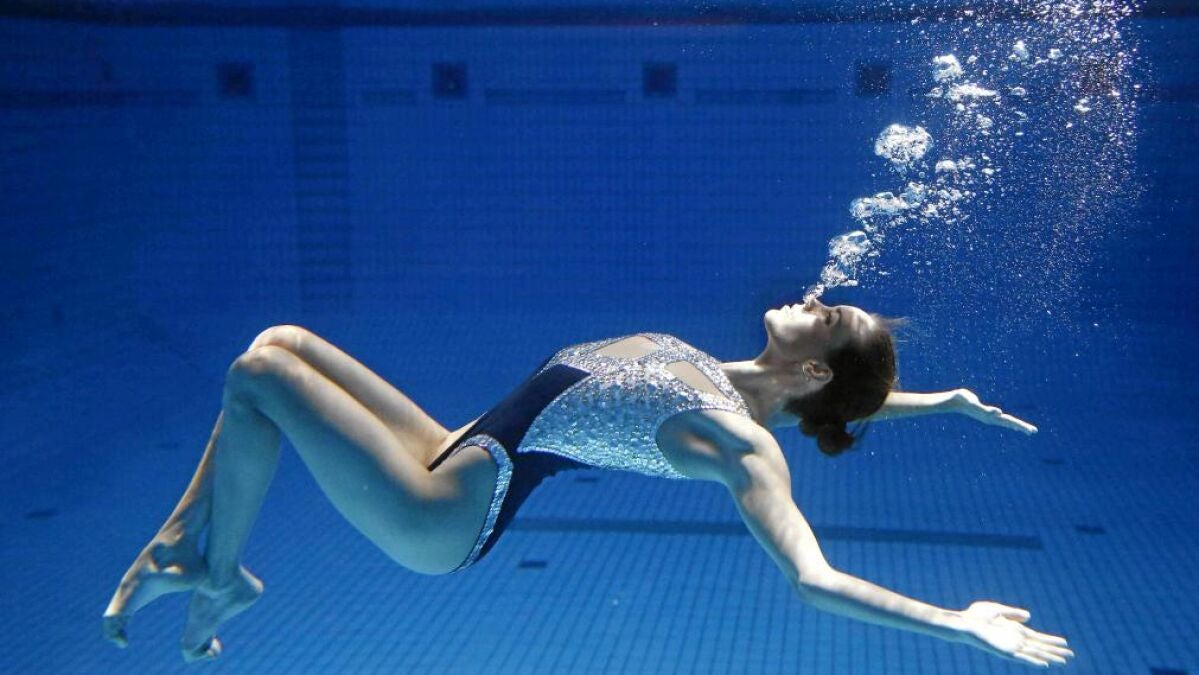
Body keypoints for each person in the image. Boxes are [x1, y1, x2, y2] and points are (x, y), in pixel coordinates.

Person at [101, 298, 1072, 668]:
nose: (815, 298)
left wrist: (956, 624)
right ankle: (192, 548)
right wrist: (938, 402)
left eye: (828, 315)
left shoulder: (739, 442)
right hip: (451, 445)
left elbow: (810, 580)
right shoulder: (736, 382)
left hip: (442, 515)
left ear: (812, 363)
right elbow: (828, 401)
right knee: (280, 339)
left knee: (258, 377)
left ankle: (214, 572)